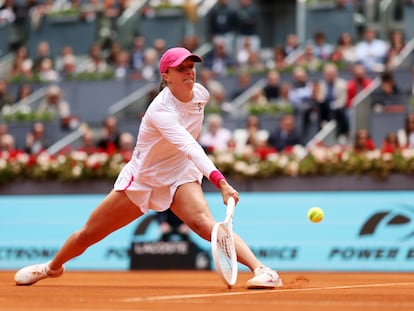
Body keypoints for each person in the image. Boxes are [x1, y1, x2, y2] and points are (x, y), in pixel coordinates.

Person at [14, 47, 282, 289]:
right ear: (166, 76)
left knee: (205, 223)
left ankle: (263, 270)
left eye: (191, 67)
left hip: (180, 173)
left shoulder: (201, 94)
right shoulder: (161, 111)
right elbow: (191, 146)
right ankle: (51, 268)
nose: (189, 73)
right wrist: (221, 183)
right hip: (143, 178)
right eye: (181, 69)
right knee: (89, 234)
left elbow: (187, 151)